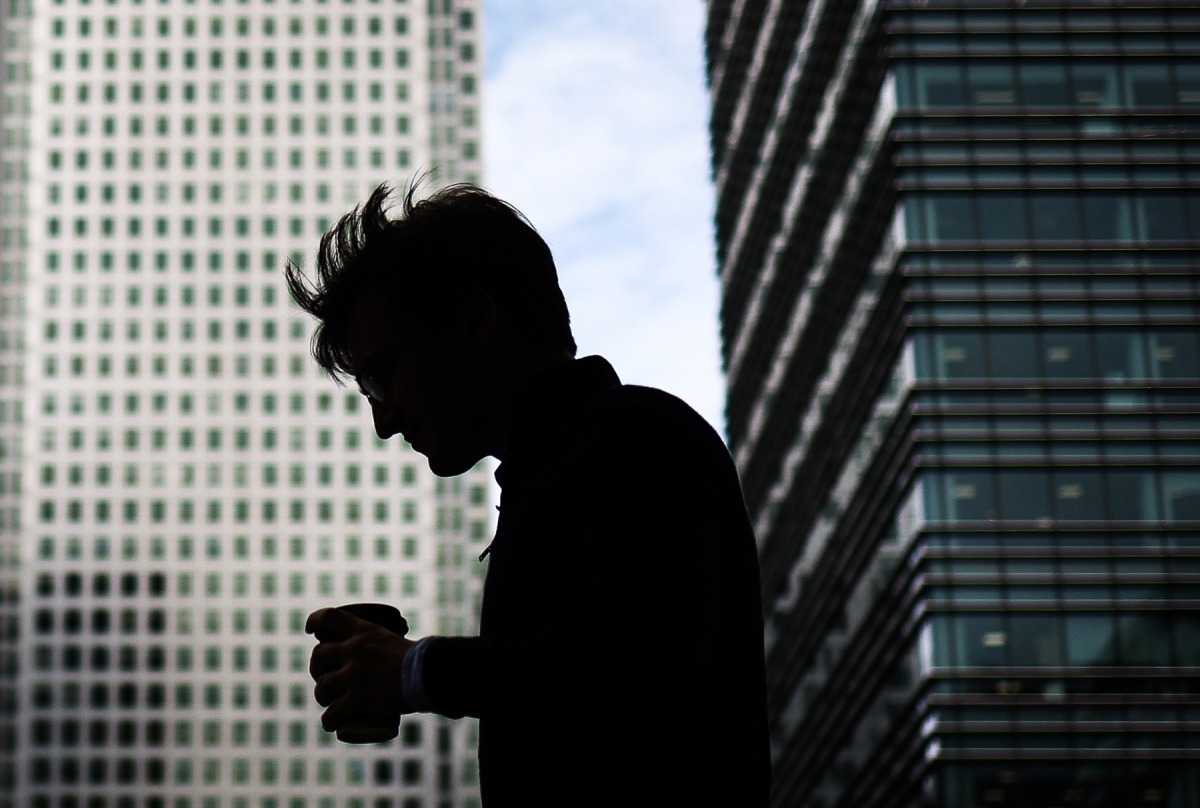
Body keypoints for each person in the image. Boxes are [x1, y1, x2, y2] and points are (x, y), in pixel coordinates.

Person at [289, 181, 771, 807]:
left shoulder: (636, 438)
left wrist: (413, 671)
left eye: (383, 375)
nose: (384, 422)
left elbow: (632, 671)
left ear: (474, 322)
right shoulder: (598, 456)